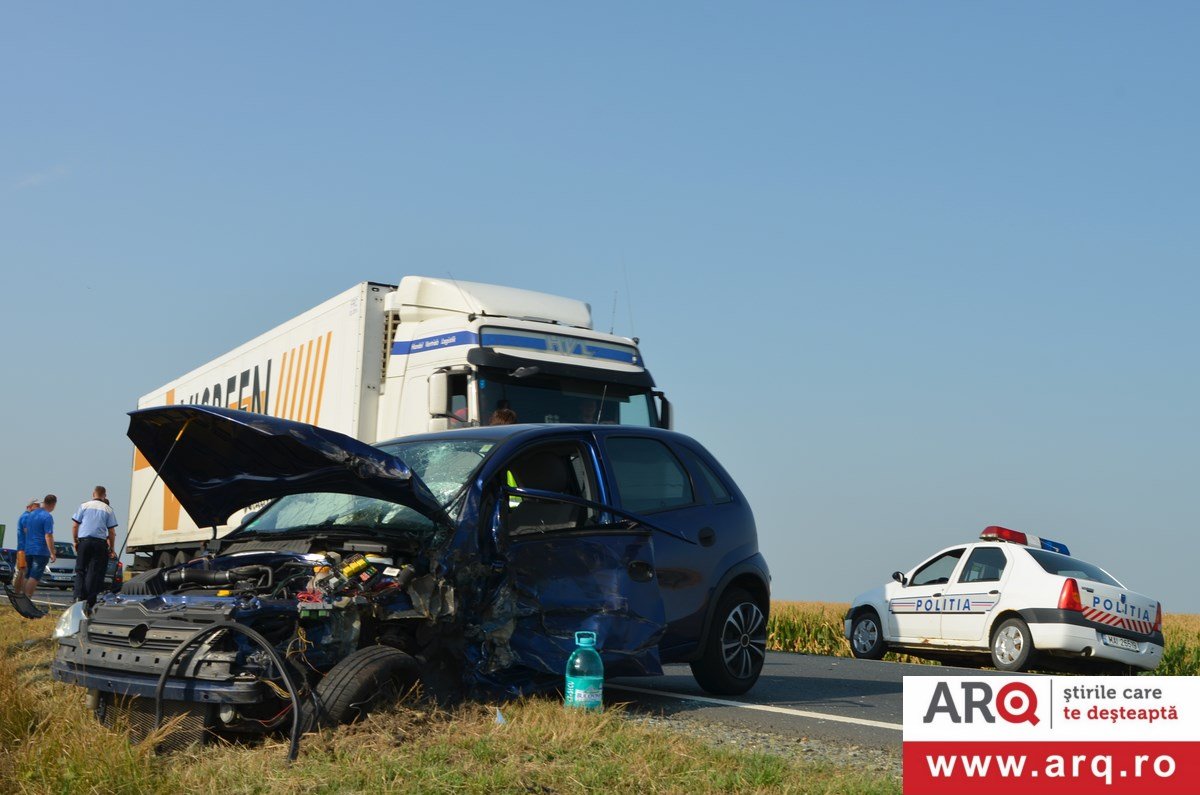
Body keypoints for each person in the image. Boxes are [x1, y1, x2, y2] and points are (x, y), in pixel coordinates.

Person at [72, 486, 119, 607]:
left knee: (80, 570)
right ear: (104, 496)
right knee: (93, 572)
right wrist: (112, 548)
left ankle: (77, 596)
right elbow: (112, 532)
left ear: (93, 494)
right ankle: (89, 600)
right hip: (99, 543)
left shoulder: (84, 506)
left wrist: (76, 541)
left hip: (84, 541)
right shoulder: (108, 509)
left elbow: (75, 525)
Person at [22, 494, 56, 598]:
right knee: (35, 576)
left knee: (27, 575)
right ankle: (27, 598)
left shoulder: (31, 514)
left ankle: (22, 597)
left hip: (29, 549)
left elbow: (25, 530)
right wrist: (52, 552)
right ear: (53, 504)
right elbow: (48, 535)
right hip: (40, 550)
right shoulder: (47, 516)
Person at [11, 498, 39, 592]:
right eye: (36, 508)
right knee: (23, 572)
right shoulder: (27, 517)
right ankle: (19, 594)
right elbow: (28, 531)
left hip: (24, 549)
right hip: (25, 549)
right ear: (29, 507)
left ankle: (18, 593)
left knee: (22, 571)